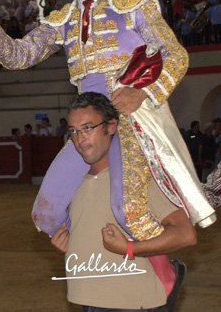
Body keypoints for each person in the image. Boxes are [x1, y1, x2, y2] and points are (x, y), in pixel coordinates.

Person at [0, 0, 215, 241]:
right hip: (87, 122)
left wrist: (142, 91)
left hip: (131, 117)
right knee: (46, 214)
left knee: (128, 210)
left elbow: (175, 54)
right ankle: (90, 258)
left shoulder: (133, 4)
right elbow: (19, 56)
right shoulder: (62, 19)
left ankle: (165, 274)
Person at [50, 92, 195, 310]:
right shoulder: (75, 182)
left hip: (131, 303)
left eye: (88, 128)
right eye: (73, 131)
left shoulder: (138, 177)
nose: (80, 139)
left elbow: (185, 234)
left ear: (110, 127)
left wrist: (129, 248)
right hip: (89, 301)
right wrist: (70, 244)